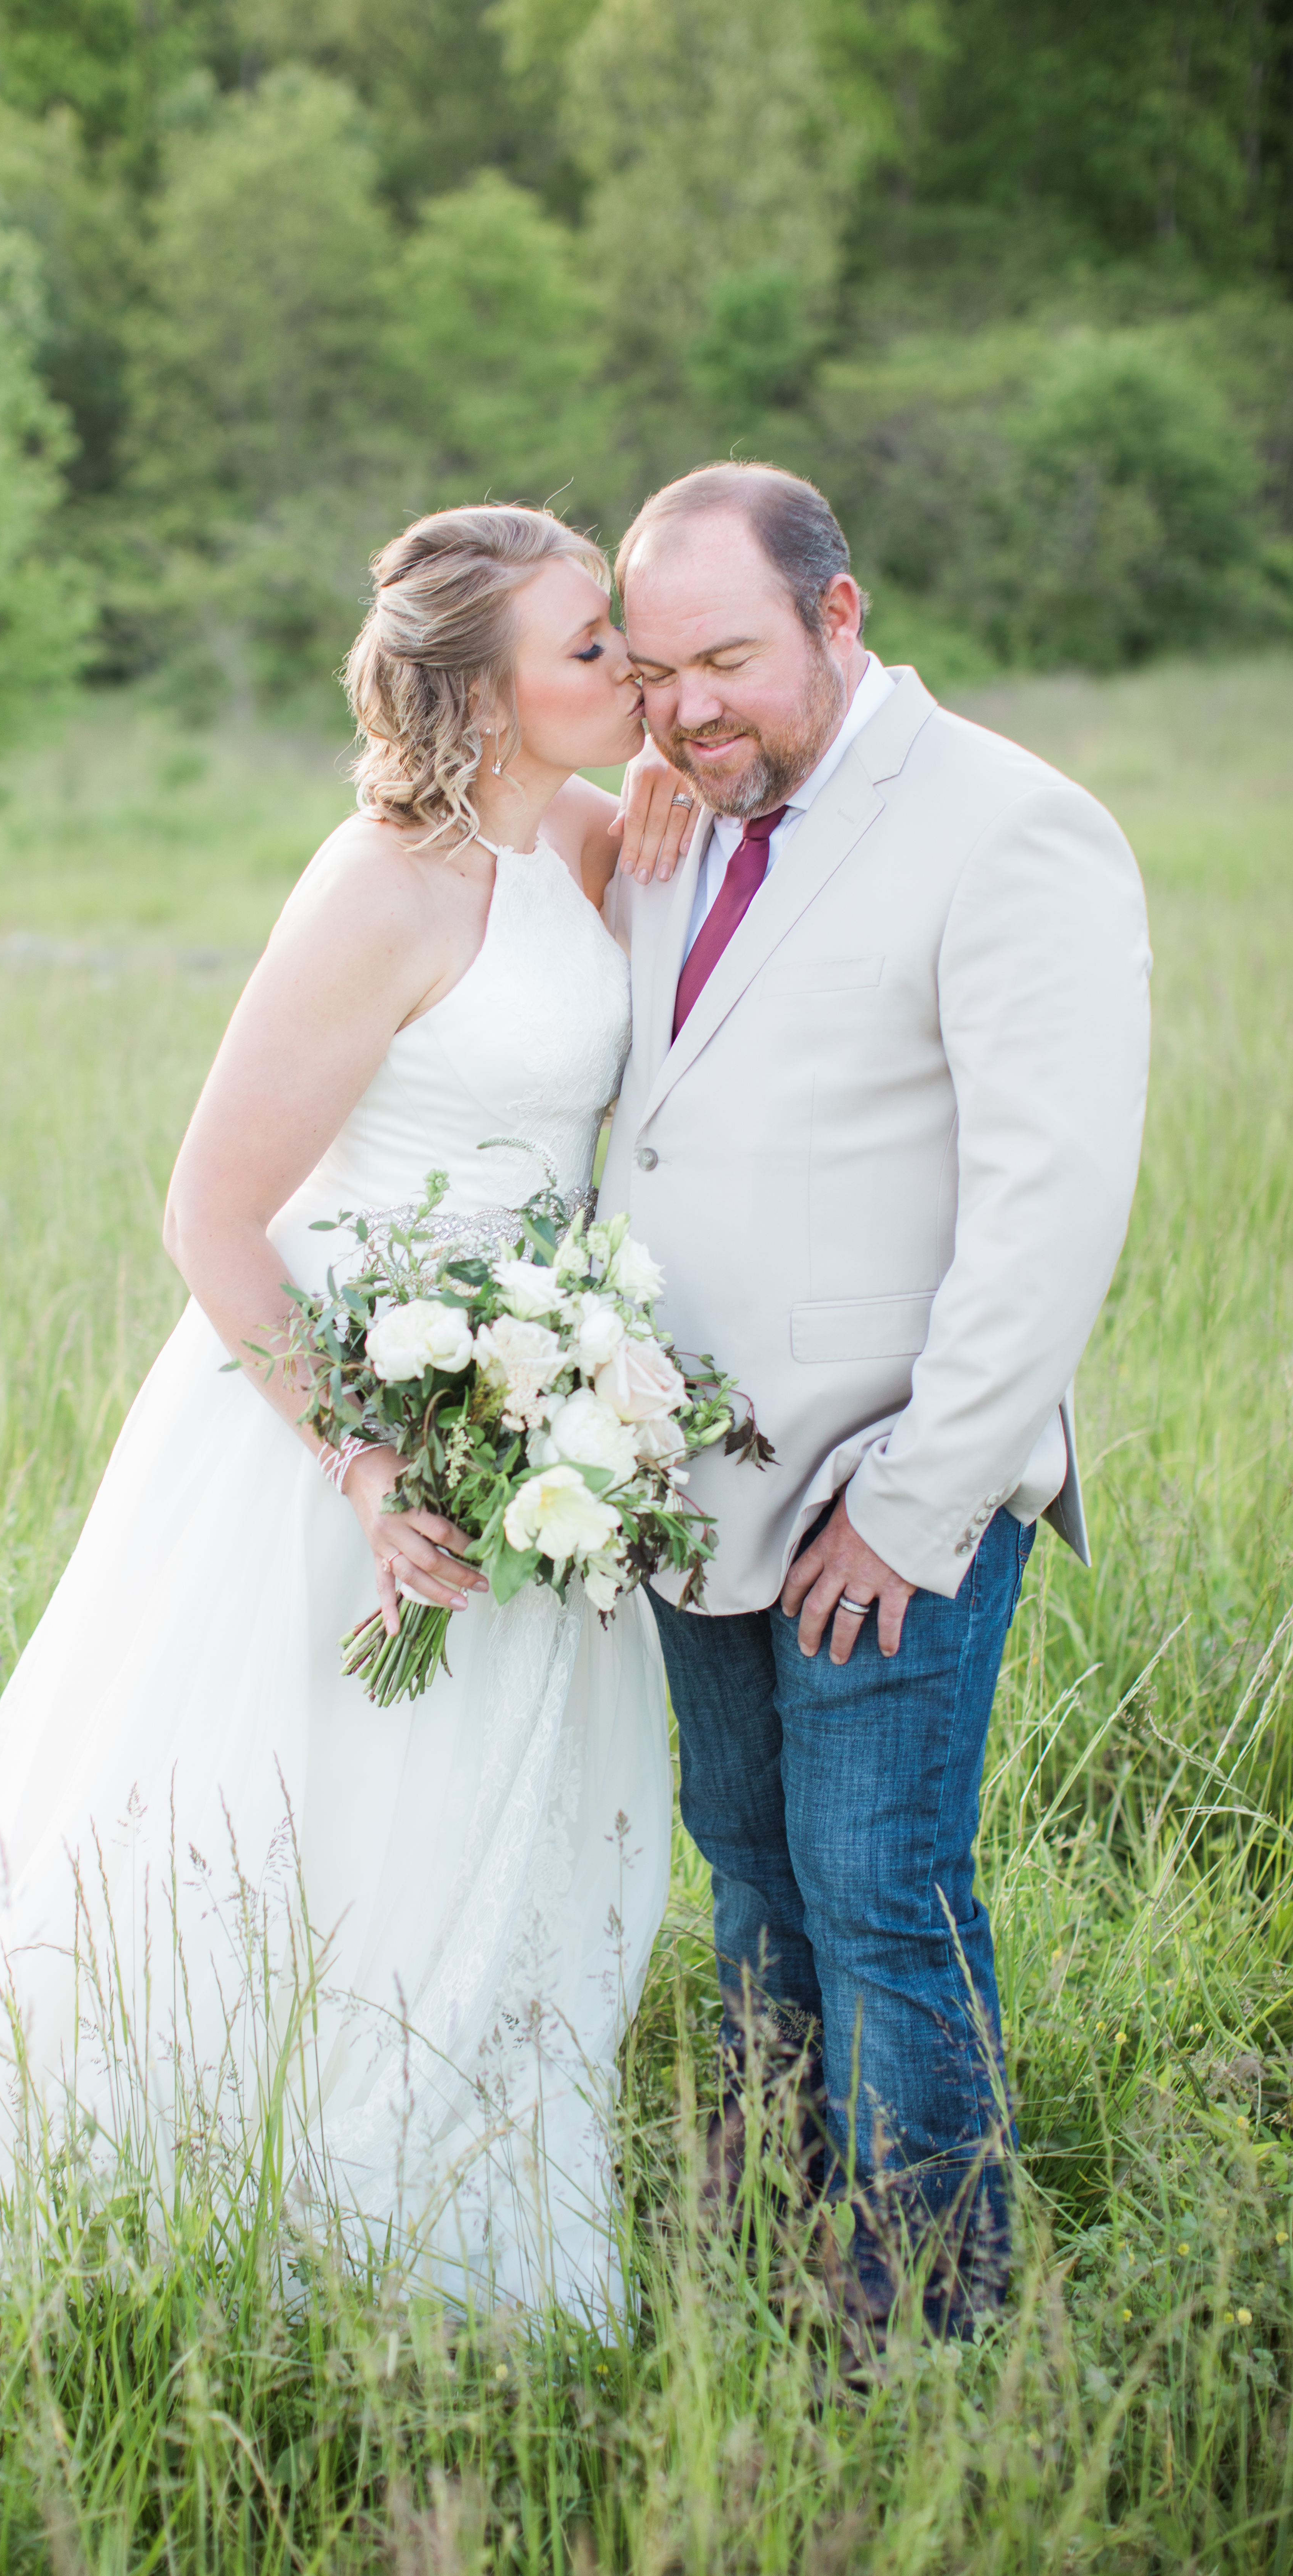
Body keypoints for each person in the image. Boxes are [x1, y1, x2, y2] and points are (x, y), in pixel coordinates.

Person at [0, 505, 674, 2316]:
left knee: (481, 1812)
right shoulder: (379, 888)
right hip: (331, 1419)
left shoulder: (587, 840)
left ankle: (441, 2175)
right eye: (592, 648)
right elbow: (210, 1209)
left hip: (533, 1412)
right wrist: (360, 1450)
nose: (630, 673)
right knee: (278, 1817)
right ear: (482, 694)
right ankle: (219, 2186)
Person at [601, 461, 1152, 2336]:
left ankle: (934, 2324)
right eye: (654, 669)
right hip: (682, 1488)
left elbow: (1048, 1202)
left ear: (839, 616)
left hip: (882, 1484)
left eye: (728, 658)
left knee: (878, 1902)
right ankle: (785, 2254)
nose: (686, 709)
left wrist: (916, 1501)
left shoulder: (1010, 826)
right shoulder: (680, 825)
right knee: (748, 1886)